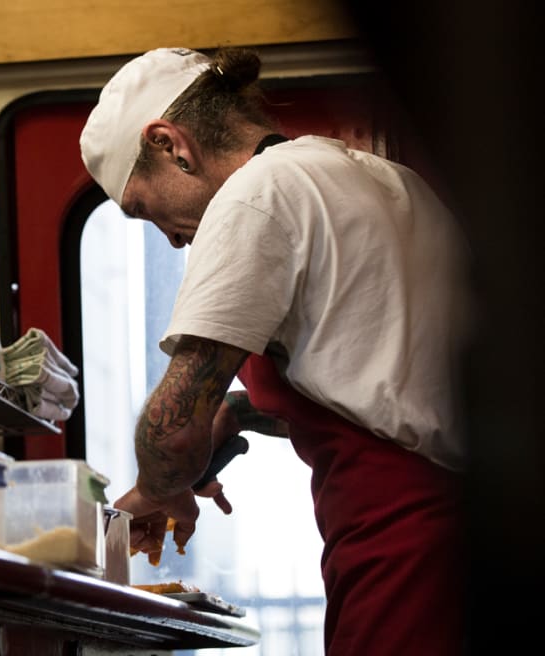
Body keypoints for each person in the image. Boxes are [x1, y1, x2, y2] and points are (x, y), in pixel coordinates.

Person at [79, 46, 471, 655]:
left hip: (407, 541)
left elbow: (173, 431)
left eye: (145, 211)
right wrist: (236, 413)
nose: (175, 239)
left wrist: (159, 488)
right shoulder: (373, 177)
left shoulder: (254, 195)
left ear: (169, 145)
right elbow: (376, 377)